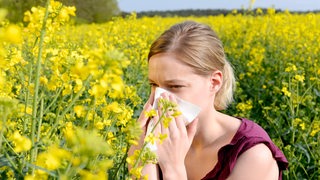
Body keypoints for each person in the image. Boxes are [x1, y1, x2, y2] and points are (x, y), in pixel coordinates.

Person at [128, 20, 288, 180]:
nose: (161, 98)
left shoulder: (253, 155)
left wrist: (172, 169)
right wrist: (144, 152)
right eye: (154, 85)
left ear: (214, 83)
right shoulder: (156, 138)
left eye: (175, 86)